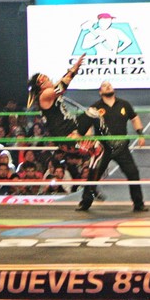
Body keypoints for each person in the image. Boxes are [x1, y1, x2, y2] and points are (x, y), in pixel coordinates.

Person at [26, 54, 108, 206]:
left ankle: (92, 183)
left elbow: (63, 80)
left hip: (74, 128)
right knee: (98, 150)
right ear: (41, 84)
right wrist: (74, 69)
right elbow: (62, 85)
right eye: (46, 79)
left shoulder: (50, 92)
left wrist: (75, 68)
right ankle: (91, 187)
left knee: (93, 112)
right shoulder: (44, 95)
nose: (50, 79)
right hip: (66, 137)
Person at [76, 81, 148, 213]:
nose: (108, 86)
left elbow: (135, 118)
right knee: (93, 175)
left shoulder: (124, 104)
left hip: (121, 147)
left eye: (109, 85)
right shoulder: (95, 107)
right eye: (104, 85)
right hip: (102, 148)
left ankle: (139, 204)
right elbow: (87, 125)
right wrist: (89, 139)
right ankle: (85, 203)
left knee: (133, 173)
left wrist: (140, 134)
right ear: (100, 92)